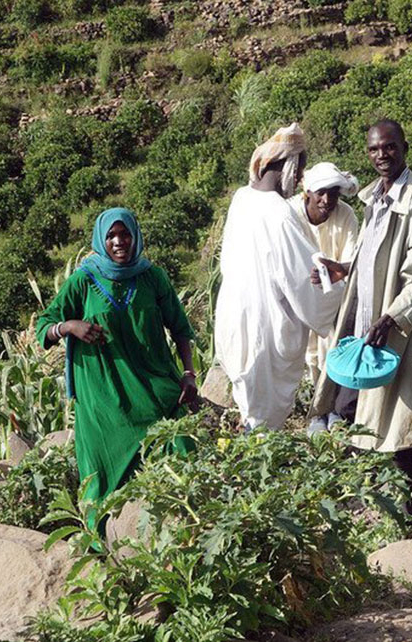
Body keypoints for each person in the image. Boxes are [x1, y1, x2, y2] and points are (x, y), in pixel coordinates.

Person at [310, 119, 412, 482]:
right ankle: (400, 481)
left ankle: (400, 496)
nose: (382, 155)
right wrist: (344, 269)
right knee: (369, 413)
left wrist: (391, 319)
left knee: (381, 417)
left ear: (405, 148)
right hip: (368, 326)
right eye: (375, 149)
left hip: (398, 328)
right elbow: (376, 260)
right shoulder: (373, 201)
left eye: (389, 147)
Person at [36, 207, 199, 515]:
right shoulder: (83, 281)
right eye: (111, 235)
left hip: (151, 385)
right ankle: (102, 542)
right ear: (101, 239)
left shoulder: (152, 277)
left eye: (125, 234)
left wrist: (188, 374)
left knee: (180, 447)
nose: (119, 241)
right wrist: (69, 327)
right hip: (102, 395)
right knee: (103, 477)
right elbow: (44, 324)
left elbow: (180, 328)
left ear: (136, 236)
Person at [214, 123, 345, 431]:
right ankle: (256, 469)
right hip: (265, 325)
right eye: (298, 171)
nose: (299, 179)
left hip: (233, 320)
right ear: (286, 166)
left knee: (250, 405)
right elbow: (304, 279)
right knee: (262, 416)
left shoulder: (241, 199)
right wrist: (339, 296)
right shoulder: (278, 213)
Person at [286, 162, 361, 386]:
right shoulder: (290, 214)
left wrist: (333, 272)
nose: (326, 201)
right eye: (321, 193)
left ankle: (328, 400)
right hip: (297, 294)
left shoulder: (345, 215)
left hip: (335, 294)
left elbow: (352, 262)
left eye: (333, 194)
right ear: (307, 193)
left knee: (333, 345)